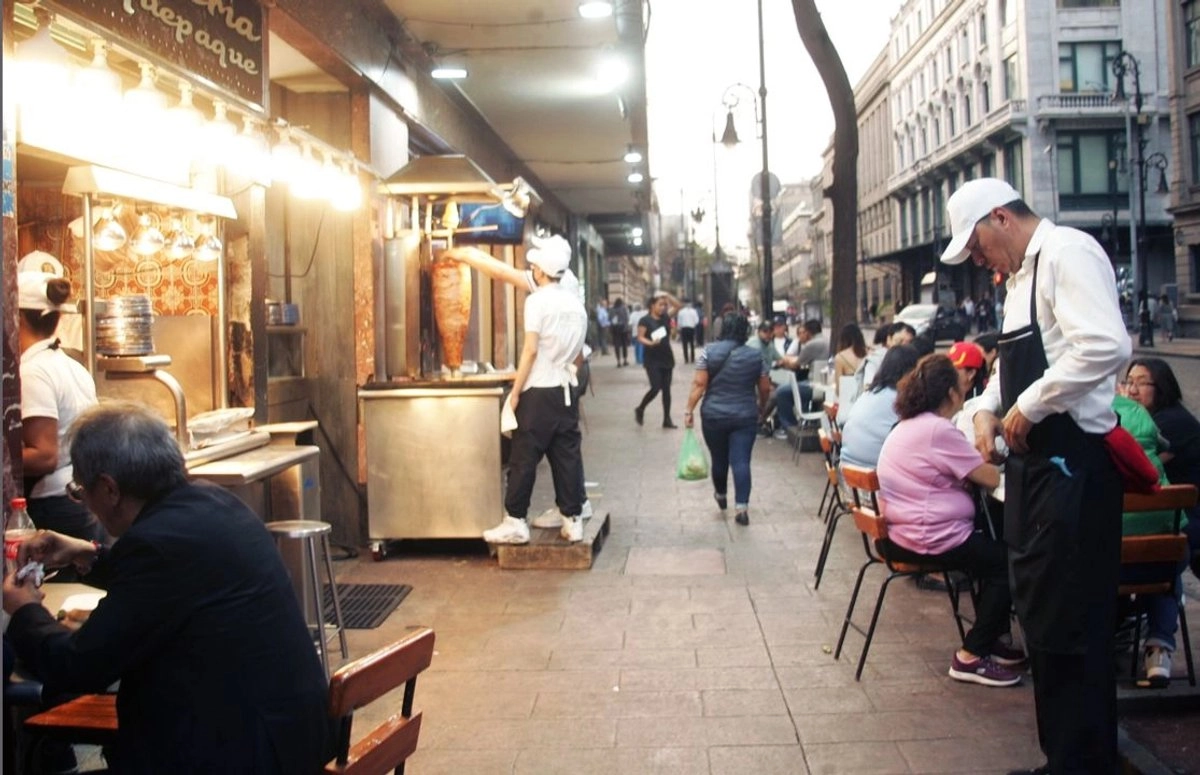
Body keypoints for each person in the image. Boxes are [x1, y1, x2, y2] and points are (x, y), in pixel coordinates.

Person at [2, 402, 333, 774]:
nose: (84, 502)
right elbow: (165, 588)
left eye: (80, 490)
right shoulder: (213, 502)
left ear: (109, 489)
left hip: (238, 755)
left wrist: (24, 609)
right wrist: (86, 554)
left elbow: (78, 665)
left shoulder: (158, 544)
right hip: (282, 739)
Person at [945, 177, 1130, 775]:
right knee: (1045, 623)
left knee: (1075, 626)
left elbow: (1104, 345)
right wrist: (986, 411)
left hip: (1075, 466)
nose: (976, 259)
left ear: (1000, 217)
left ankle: (1087, 762)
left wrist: (1034, 403)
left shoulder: (1068, 253)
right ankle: (1063, 760)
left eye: (975, 245)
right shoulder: (1017, 282)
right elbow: (1006, 376)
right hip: (1035, 472)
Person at [876, 354, 1020, 687]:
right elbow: (987, 476)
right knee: (1009, 565)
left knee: (990, 553)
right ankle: (972, 655)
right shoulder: (938, 429)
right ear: (952, 394)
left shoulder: (911, 425)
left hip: (907, 531)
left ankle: (989, 638)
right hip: (931, 537)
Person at [443, 242, 596, 530]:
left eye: (535, 264)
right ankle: (573, 511)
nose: (532, 269)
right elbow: (576, 352)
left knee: (527, 450)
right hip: (568, 375)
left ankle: (516, 520)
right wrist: (570, 376)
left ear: (542, 270)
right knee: (565, 448)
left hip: (545, 382)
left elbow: (530, 348)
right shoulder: (572, 294)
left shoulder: (542, 297)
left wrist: (466, 255)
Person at [17, 267, 110, 551]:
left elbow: (44, 455)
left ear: (16, 317)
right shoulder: (70, 365)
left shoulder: (32, 372)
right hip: (77, 497)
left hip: (53, 505)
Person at [1111, 390, 1184, 687]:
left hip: (1100, 574)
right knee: (1170, 553)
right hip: (1157, 571)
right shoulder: (1139, 415)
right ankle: (1159, 648)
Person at [683, 312, 771, 526]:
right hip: (745, 415)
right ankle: (741, 508)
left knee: (719, 459)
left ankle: (721, 495)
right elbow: (765, 387)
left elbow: (699, 384)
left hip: (713, 416)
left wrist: (689, 410)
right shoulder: (756, 355)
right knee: (741, 461)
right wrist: (761, 406)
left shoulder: (708, 352)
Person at [1123, 358, 1200, 579]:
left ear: (1162, 387)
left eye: (1141, 383)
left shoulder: (1172, 422)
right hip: (1169, 513)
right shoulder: (1146, 418)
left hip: (1188, 517)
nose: (1132, 390)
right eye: (1128, 382)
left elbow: (1139, 464)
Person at [838, 344, 919, 468]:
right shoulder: (900, 400)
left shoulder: (869, 394)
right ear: (910, 371)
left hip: (847, 467)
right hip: (874, 472)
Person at [771, 319, 828, 439]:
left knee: (781, 392)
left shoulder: (812, 344)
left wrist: (784, 360)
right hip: (823, 383)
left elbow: (795, 364)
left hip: (814, 385)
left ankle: (789, 426)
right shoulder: (825, 341)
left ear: (808, 332)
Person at [634, 291, 683, 429]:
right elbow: (640, 337)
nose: (663, 307)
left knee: (667, 390)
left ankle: (667, 419)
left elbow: (678, 306)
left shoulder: (665, 317)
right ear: (652, 305)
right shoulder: (645, 320)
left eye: (664, 305)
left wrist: (667, 295)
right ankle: (640, 408)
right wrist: (650, 343)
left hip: (667, 357)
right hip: (652, 359)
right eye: (660, 304)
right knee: (656, 387)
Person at [610, 297, 632, 366]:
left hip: (615, 330)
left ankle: (618, 361)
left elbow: (610, 319)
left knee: (617, 346)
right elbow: (627, 319)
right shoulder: (624, 309)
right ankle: (625, 360)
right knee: (624, 345)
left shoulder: (612, 309)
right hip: (623, 330)